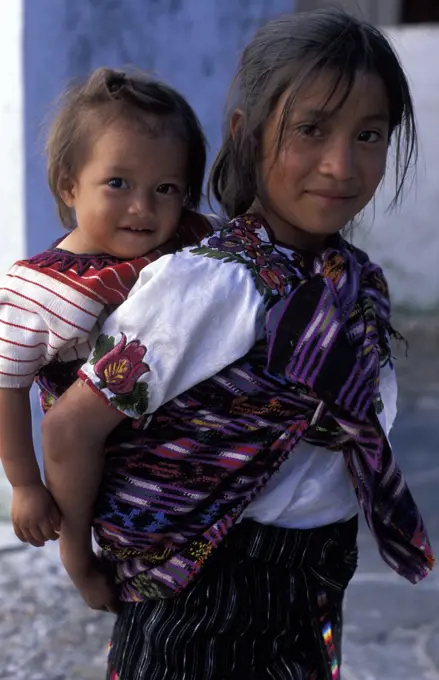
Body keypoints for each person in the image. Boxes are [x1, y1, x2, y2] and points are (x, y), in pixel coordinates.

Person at [43, 9, 434, 680]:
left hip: (308, 581)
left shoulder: (345, 280)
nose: (340, 164)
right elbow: (71, 428)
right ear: (245, 135)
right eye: (310, 129)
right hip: (203, 593)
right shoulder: (208, 284)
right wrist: (79, 556)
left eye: (367, 134)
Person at [0, 66, 215, 548]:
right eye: (118, 183)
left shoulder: (188, 236)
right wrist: (25, 485)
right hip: (98, 466)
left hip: (184, 461)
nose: (142, 208)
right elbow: (7, 387)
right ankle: (78, 559)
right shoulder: (39, 289)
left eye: (166, 189)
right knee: (81, 536)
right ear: (69, 186)